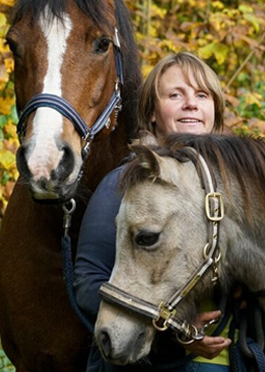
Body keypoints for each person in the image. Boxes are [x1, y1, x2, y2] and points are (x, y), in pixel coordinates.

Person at [74, 52, 231, 372]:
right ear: (152, 113)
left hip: (233, 363)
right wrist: (176, 331)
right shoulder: (125, 182)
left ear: (215, 110)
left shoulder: (236, 186)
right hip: (147, 362)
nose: (191, 103)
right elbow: (88, 284)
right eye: (176, 95)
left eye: (202, 95)